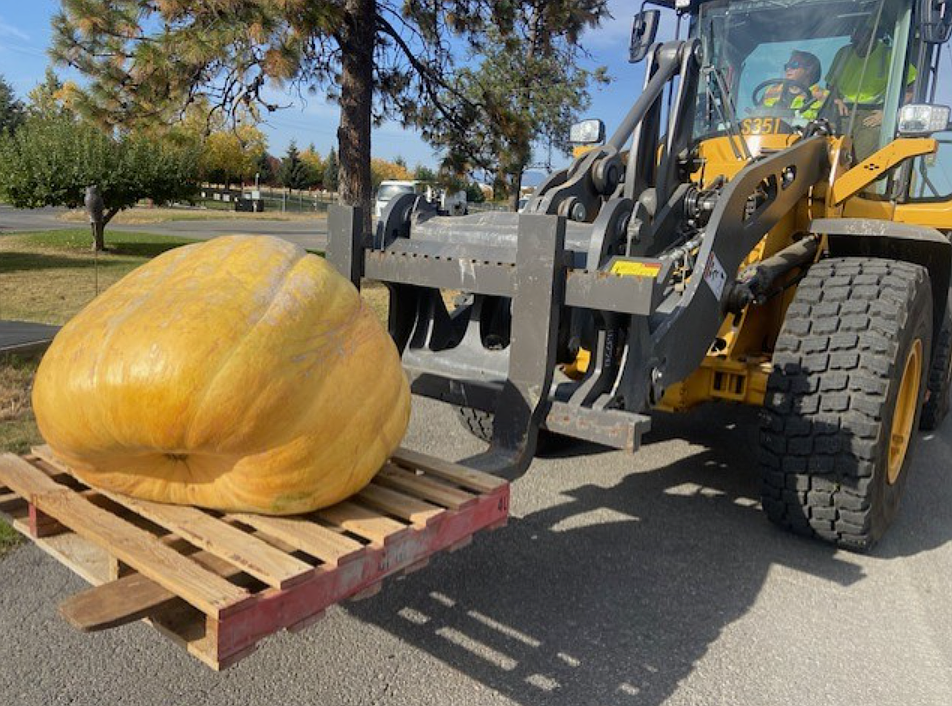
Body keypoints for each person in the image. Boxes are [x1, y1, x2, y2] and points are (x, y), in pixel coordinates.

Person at [826, 23, 916, 161]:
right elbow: (831, 84)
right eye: (855, 34)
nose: (856, 39)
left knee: (861, 159)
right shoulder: (843, 54)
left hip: (872, 115)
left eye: (862, 34)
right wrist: (836, 99)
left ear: (874, 35)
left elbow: (911, 87)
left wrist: (888, 113)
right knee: (827, 155)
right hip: (842, 112)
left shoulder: (889, 54)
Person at [763, 50, 830, 120]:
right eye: (787, 66)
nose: (788, 68)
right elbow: (755, 118)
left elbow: (831, 126)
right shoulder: (771, 91)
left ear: (809, 69)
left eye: (794, 65)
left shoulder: (825, 96)